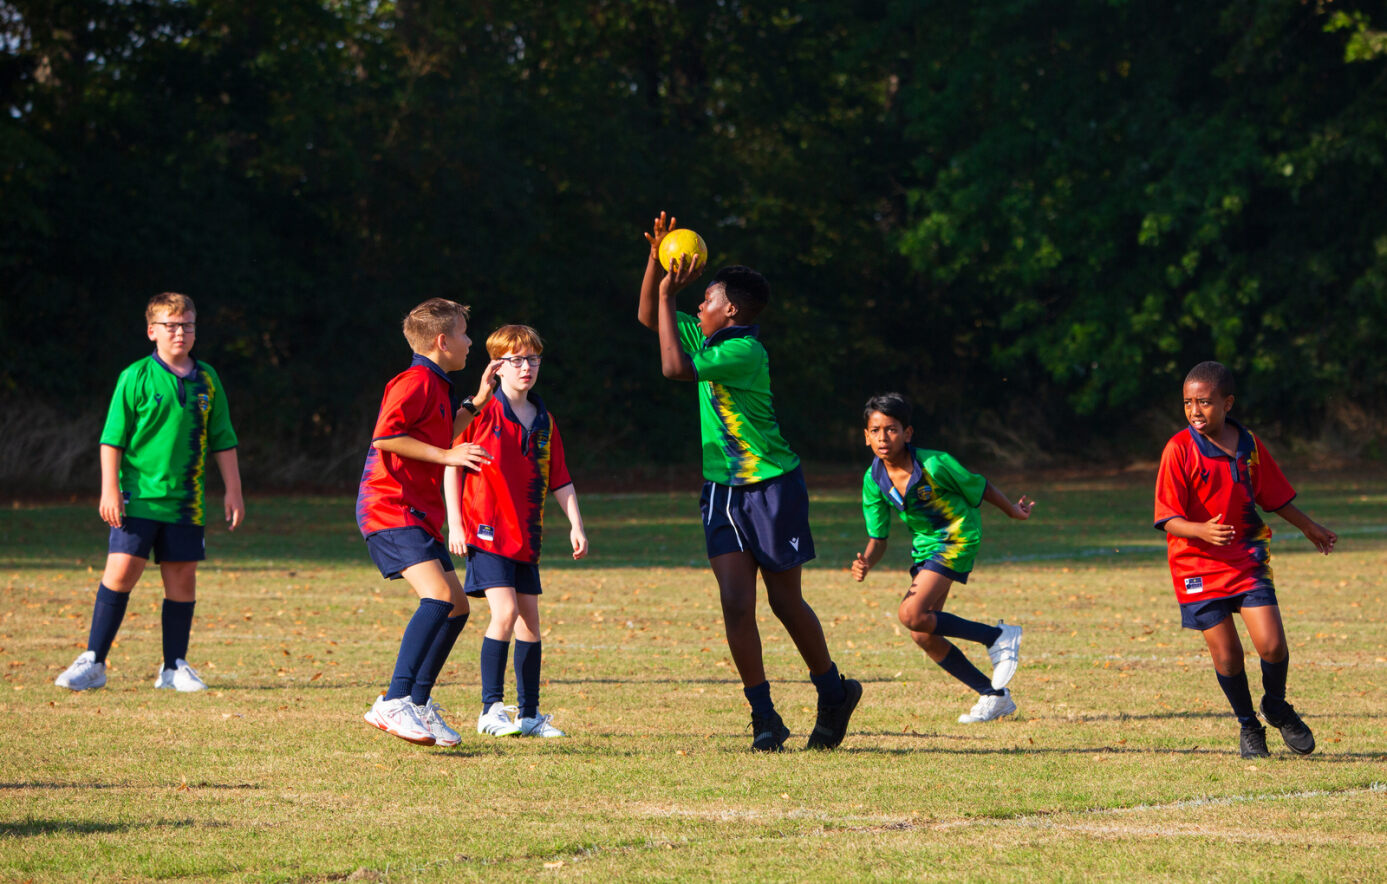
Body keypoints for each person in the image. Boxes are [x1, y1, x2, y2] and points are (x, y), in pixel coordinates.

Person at [637, 211, 860, 752]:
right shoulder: (705, 334)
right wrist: (656, 262)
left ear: (731, 309)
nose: (699, 305)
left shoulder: (743, 349)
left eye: (707, 298)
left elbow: (673, 369)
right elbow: (648, 316)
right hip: (721, 490)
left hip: (772, 487)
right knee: (736, 603)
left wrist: (669, 293)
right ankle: (764, 716)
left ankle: (833, 691)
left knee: (785, 603)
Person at [55, 292, 244, 693]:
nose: (180, 332)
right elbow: (112, 439)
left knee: (182, 580)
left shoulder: (208, 379)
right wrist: (109, 489)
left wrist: (234, 491)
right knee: (121, 572)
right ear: (152, 331)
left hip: (186, 503)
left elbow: (223, 439)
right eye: (171, 325)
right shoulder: (135, 376)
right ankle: (94, 661)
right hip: (137, 498)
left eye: (188, 325)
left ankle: (174, 667)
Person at [1154, 361, 1336, 758]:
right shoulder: (1178, 449)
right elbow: (1167, 518)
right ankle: (1248, 725)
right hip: (1196, 565)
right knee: (1228, 655)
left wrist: (1309, 527)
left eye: (1204, 402)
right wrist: (1201, 530)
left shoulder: (1248, 445)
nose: (1194, 411)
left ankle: (1276, 705)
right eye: (1187, 403)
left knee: (1272, 645)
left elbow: (1274, 496)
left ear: (1228, 403)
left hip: (1246, 558)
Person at [356, 298, 500, 747]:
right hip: (389, 506)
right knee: (437, 598)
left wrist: (476, 403)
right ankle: (393, 701)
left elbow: (439, 434)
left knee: (457, 607)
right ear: (442, 341)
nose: (470, 341)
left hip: (418, 511)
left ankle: (417, 703)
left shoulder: (437, 384)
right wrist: (448, 455)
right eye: (463, 333)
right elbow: (386, 436)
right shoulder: (414, 381)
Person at [850, 393, 1032, 724]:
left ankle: (997, 637)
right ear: (866, 436)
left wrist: (1012, 512)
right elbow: (878, 538)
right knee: (922, 632)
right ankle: (993, 696)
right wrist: (867, 562)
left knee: (910, 613)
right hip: (926, 548)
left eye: (891, 429)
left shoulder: (935, 464)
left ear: (907, 433)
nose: (883, 438)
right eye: (875, 431)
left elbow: (980, 487)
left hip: (958, 536)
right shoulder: (873, 479)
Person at [444, 325, 587, 739]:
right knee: (504, 613)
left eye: (533, 359)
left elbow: (560, 478)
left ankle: (529, 715)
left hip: (527, 535)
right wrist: (456, 523)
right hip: (486, 529)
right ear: (497, 367)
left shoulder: (545, 419)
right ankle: (490, 710)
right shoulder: (479, 412)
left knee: (530, 623)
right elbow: (452, 464)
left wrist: (576, 524)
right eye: (517, 360)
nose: (527, 367)